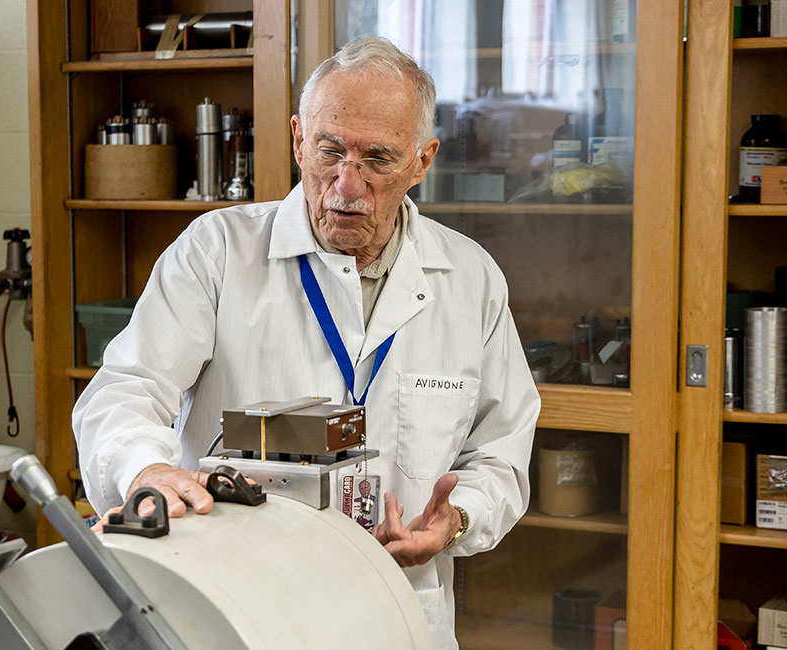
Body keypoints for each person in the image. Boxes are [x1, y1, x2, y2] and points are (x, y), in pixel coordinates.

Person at [74, 36, 540, 649]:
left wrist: (456, 520)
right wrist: (149, 468)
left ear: (422, 161)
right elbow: (126, 391)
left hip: (399, 610)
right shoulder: (217, 253)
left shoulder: (470, 277)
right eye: (329, 151)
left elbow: (501, 451)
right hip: (241, 609)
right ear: (298, 139)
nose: (346, 186)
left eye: (377, 159)